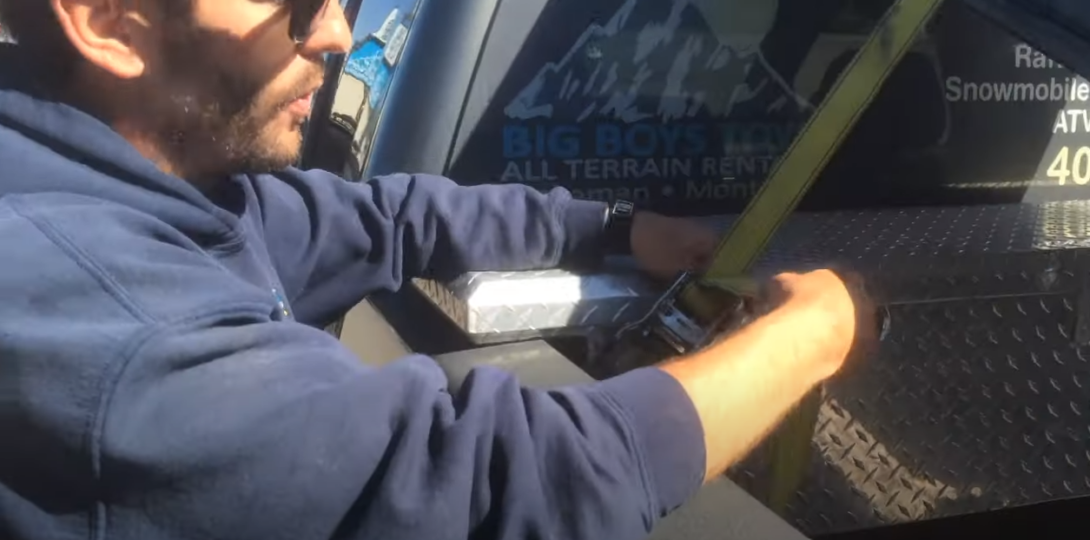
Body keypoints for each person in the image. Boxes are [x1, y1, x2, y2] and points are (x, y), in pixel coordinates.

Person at [0, 1, 871, 539]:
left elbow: (388, 217)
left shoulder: (147, 173)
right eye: (295, 3)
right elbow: (508, 485)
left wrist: (612, 227)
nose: (339, 32)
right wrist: (811, 334)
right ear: (110, 19)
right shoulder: (112, 327)